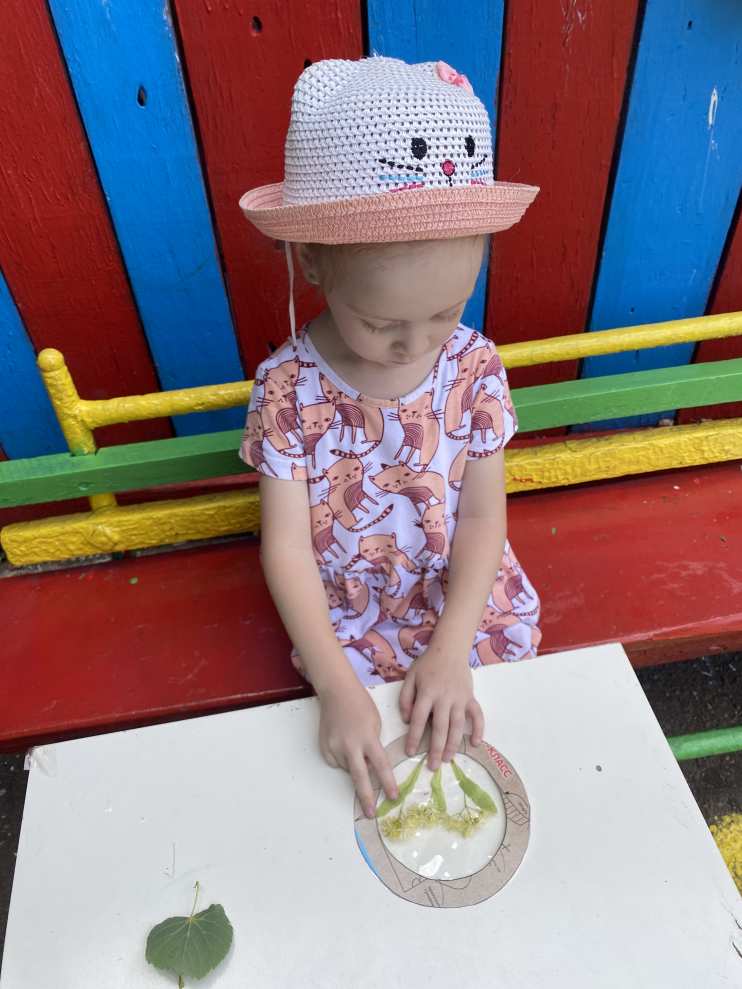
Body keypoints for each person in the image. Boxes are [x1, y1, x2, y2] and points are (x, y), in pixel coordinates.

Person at [237, 55, 542, 819]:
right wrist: (336, 686)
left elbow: (482, 519)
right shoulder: (287, 389)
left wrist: (451, 649)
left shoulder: (473, 367)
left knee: (488, 745)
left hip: (457, 596)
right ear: (313, 263)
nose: (417, 345)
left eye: (446, 312)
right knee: (352, 780)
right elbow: (286, 547)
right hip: (346, 614)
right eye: (381, 323)